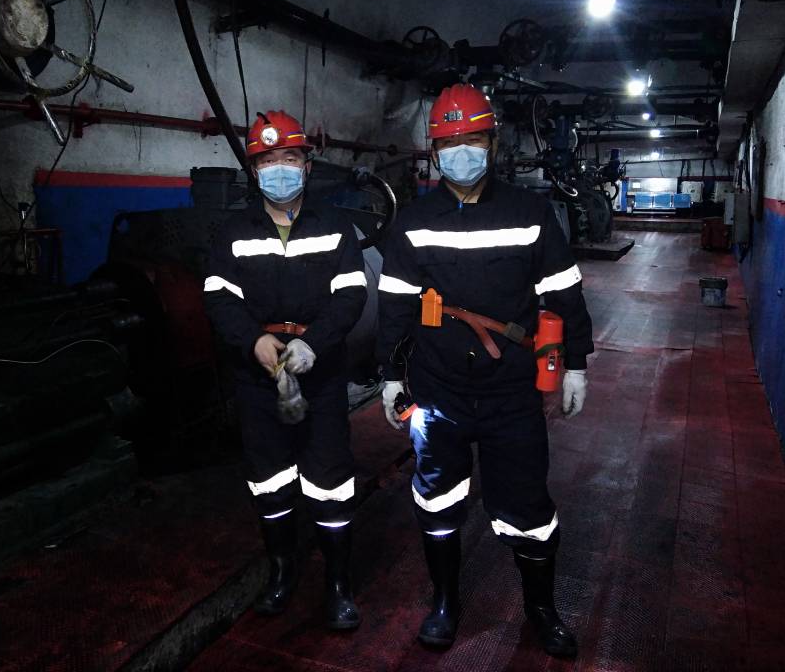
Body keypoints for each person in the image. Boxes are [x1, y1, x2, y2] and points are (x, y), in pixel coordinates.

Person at [375, 84, 594, 657]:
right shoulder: (413, 221)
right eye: (450, 143)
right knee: (437, 499)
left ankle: (541, 610)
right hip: (437, 390)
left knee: (527, 507)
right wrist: (390, 376)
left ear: (493, 144)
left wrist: (575, 363)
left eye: (473, 140)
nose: (462, 153)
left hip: (511, 393)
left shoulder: (529, 213)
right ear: (434, 152)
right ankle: (445, 603)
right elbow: (394, 303)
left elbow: (563, 292)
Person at [203, 109, 367, 630]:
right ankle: (281, 572)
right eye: (268, 160)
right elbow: (218, 298)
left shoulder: (335, 226)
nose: (280, 168)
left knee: (329, 480)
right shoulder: (232, 232)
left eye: (290, 158)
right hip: (257, 377)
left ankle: (338, 584)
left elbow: (351, 294)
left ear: (307, 166)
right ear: (254, 171)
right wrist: (253, 340)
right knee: (269, 479)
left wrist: (313, 344)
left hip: (321, 374)